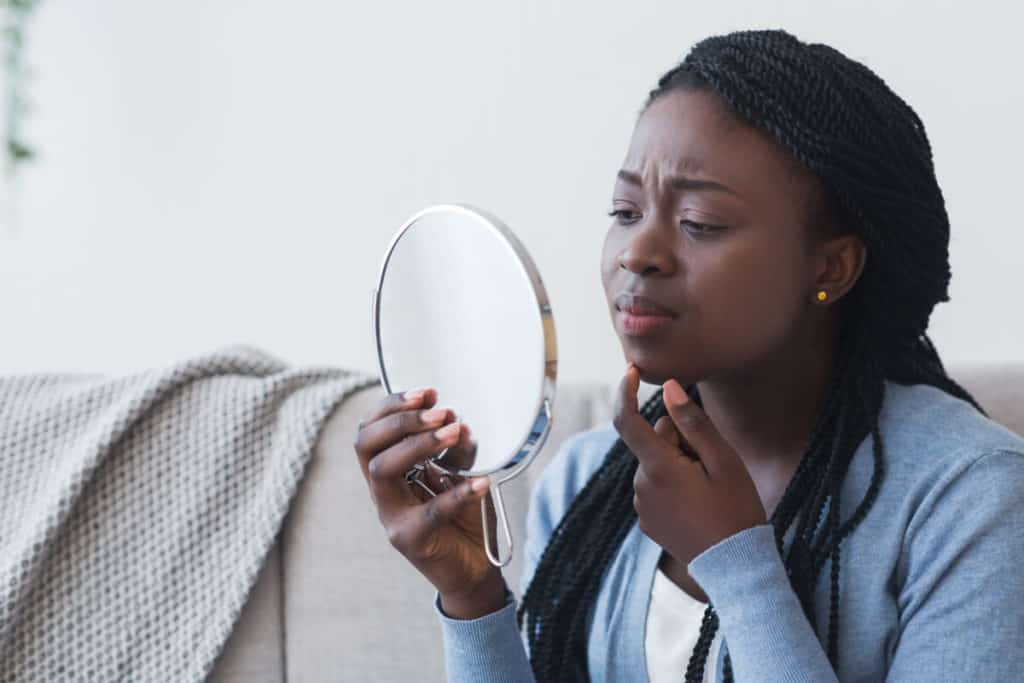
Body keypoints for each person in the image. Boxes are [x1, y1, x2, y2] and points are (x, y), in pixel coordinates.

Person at [352, 29, 1024, 682]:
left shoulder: (971, 500)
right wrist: (473, 596)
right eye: (624, 211)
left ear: (833, 266)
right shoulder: (586, 481)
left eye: (699, 222)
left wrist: (737, 562)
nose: (637, 252)